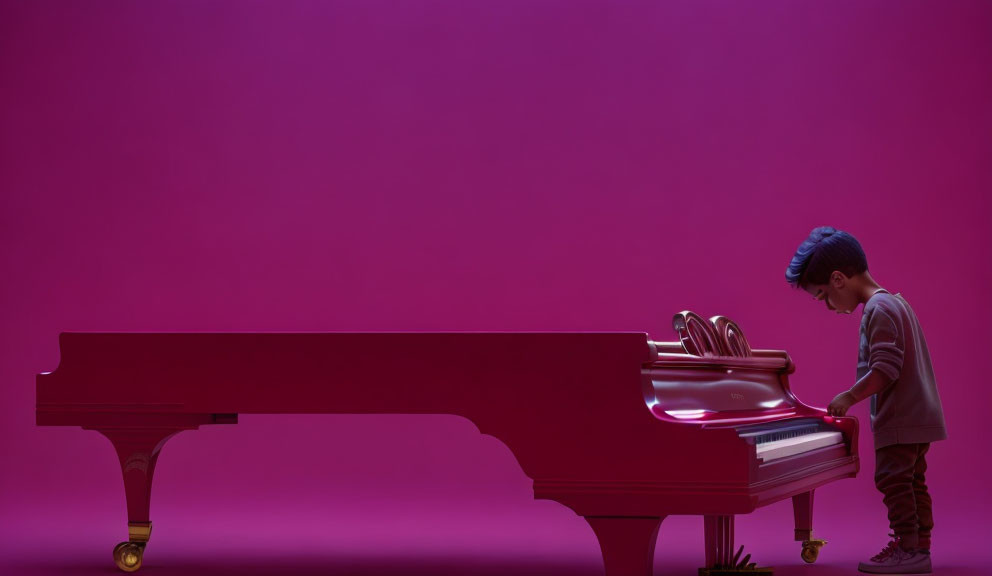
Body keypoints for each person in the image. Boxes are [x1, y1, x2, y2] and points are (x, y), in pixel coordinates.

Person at [785, 226, 946, 575]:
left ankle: (908, 549)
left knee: (892, 480)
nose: (827, 305)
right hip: (918, 415)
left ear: (839, 279)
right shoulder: (895, 301)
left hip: (901, 418)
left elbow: (885, 369)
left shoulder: (878, 308)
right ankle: (919, 547)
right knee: (912, 480)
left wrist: (850, 396)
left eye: (823, 295)